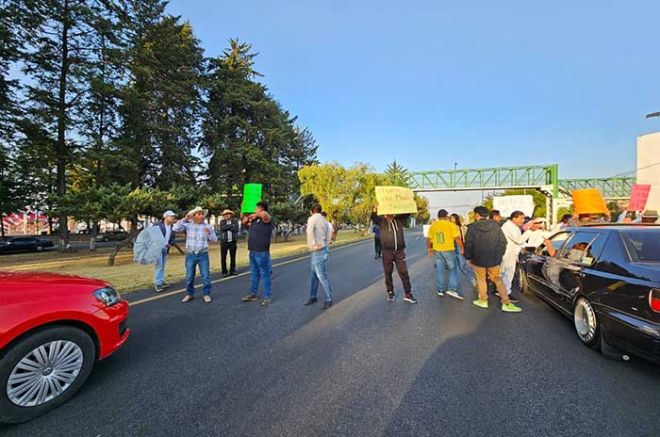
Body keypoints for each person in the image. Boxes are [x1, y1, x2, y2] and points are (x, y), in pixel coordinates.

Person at [464, 206, 522, 313]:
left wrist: (468, 257)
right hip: (494, 259)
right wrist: (499, 255)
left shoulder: (472, 227)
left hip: (478, 259)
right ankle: (506, 302)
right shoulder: (496, 226)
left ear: (476, 215)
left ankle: (483, 300)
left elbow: (468, 244)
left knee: (481, 279)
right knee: (497, 279)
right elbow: (503, 242)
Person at [370, 206, 417, 303]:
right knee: (388, 273)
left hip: (399, 252)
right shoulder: (382, 221)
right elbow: (374, 218)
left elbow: (408, 212)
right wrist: (374, 210)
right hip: (387, 252)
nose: (390, 212)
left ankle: (408, 294)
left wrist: (407, 202)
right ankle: (390, 292)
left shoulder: (398, 220)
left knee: (404, 272)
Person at [173, 206, 218, 303]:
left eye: (202, 214)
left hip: (203, 254)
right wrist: (185, 218)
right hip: (191, 254)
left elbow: (215, 239)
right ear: (193, 216)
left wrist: (209, 233)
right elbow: (175, 228)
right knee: (189, 276)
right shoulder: (188, 225)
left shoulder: (208, 226)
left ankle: (206, 294)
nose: (202, 216)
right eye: (199, 214)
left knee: (205, 276)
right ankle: (189, 294)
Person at [241, 201, 275, 306]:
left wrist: (256, 214)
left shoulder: (267, 219)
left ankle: (267, 297)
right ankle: (253, 293)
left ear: (261, 208)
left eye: (256, 208)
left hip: (262, 252)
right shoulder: (254, 220)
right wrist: (243, 208)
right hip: (252, 251)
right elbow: (243, 221)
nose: (254, 210)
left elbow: (265, 215)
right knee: (254, 274)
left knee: (265, 274)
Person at [501, 211, 538, 303]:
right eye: (521, 218)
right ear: (514, 218)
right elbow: (519, 240)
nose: (523, 220)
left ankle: (503, 291)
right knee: (508, 273)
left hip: (511, 252)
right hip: (508, 253)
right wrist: (530, 231)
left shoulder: (513, 227)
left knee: (507, 273)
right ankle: (506, 293)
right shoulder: (508, 227)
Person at [427, 209, 464, 300]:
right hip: (449, 250)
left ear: (438, 216)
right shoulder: (451, 225)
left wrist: (430, 248)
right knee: (453, 269)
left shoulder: (433, 225)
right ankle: (452, 289)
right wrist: (462, 247)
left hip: (438, 251)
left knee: (440, 270)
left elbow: (429, 239)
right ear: (446, 216)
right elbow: (457, 238)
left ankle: (440, 290)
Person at [305, 204, 333, 309]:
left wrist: (313, 244)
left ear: (311, 211)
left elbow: (309, 232)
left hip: (317, 250)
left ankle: (328, 299)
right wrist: (326, 245)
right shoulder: (324, 220)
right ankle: (313, 296)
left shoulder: (312, 219)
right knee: (314, 275)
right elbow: (329, 233)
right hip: (323, 248)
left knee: (321, 276)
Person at [154, 210, 177, 292]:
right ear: (165, 217)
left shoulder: (172, 227)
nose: (173, 218)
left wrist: (171, 244)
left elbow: (173, 238)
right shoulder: (158, 225)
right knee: (159, 266)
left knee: (162, 266)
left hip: (166, 249)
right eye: (171, 216)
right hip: (158, 249)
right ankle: (158, 283)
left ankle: (161, 281)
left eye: (173, 216)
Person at [450, 213, 475, 285]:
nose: (451, 220)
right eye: (450, 218)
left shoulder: (460, 228)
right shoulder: (448, 227)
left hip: (458, 247)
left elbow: (463, 239)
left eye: (453, 218)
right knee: (451, 267)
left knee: (462, 266)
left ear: (456, 219)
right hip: (450, 247)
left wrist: (463, 248)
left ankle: (473, 280)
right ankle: (452, 287)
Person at [219, 209, 239, 276]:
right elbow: (222, 228)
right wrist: (231, 226)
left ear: (230, 215)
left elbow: (236, 229)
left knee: (233, 257)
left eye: (228, 214)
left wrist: (228, 227)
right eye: (225, 214)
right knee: (223, 257)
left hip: (232, 241)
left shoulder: (235, 221)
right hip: (224, 242)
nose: (226, 215)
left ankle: (232, 270)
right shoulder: (222, 221)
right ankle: (224, 271)